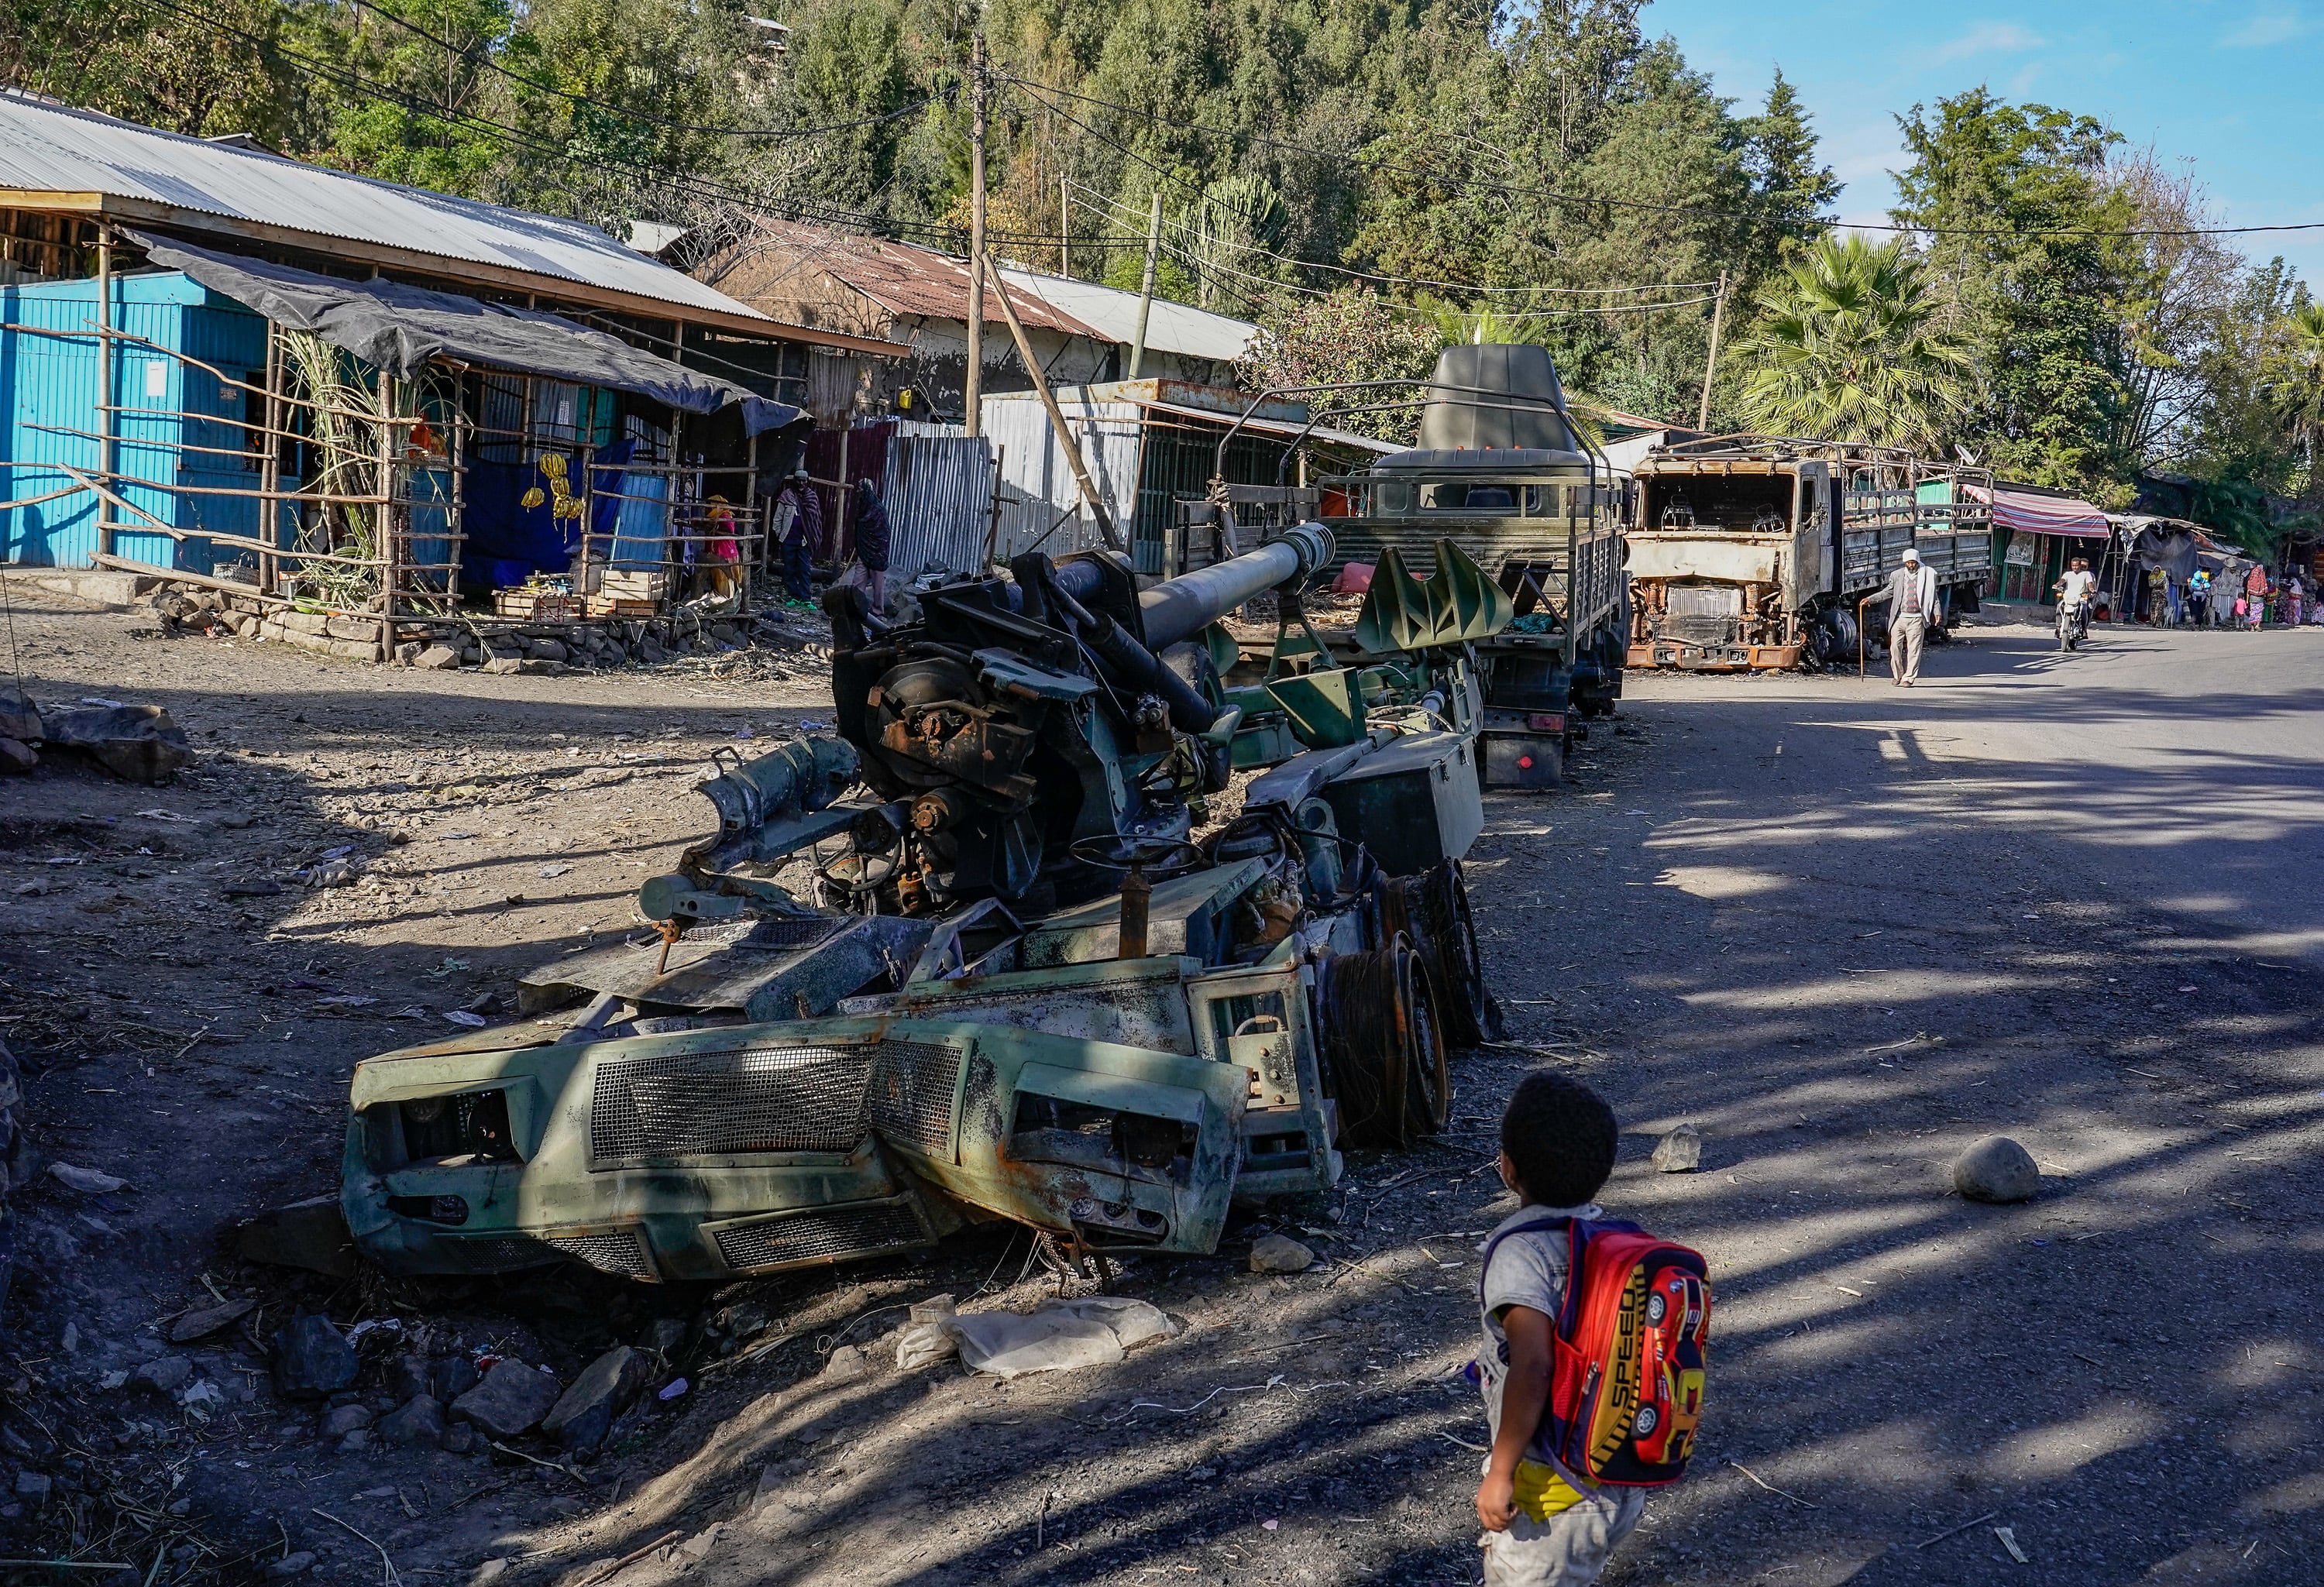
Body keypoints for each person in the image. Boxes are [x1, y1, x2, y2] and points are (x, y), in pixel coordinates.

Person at [1473, 1073, 1642, 1586]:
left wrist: (1500, 1473)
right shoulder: (1612, 1240)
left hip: (1553, 1496)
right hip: (1618, 1476)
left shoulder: (1520, 1254)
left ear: (1507, 1168)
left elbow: (1535, 1364)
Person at [1864, 545, 1939, 686]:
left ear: (1917, 562)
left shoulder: (1927, 575)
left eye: (1913, 563)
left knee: (1914, 649)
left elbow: (1933, 596)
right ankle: (1898, 675)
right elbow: (1887, 592)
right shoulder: (1897, 575)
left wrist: (1937, 612)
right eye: (1908, 563)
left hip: (1917, 618)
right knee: (1895, 648)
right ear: (1905, 562)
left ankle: (1908, 678)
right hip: (1899, 618)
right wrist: (1870, 599)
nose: (1911, 565)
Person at [773, 469, 821, 603]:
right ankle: (794, 597)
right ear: (794, 481)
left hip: (804, 541)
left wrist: (812, 536)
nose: (801, 483)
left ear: (807, 482)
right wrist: (779, 534)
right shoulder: (786, 496)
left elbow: (816, 520)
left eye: (804, 481)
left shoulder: (811, 497)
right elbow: (778, 518)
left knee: (805, 570)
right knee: (789, 569)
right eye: (799, 480)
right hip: (789, 540)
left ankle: (806, 598)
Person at [853, 477, 892, 612]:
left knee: (878, 585)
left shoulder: (878, 510)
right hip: (863, 551)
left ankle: (877, 611)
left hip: (877, 553)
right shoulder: (862, 508)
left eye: (861, 488)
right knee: (858, 582)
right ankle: (856, 607)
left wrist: (878, 549)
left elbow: (884, 534)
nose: (858, 491)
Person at [2245, 563, 2269, 630]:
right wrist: (2266, 598)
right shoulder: (2262, 579)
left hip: (2252, 599)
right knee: (2259, 613)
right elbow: (2265, 591)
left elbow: (2248, 591)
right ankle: (2257, 625)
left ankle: (2252, 628)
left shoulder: (2251, 580)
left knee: (2253, 613)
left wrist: (2247, 601)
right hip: (2260, 599)